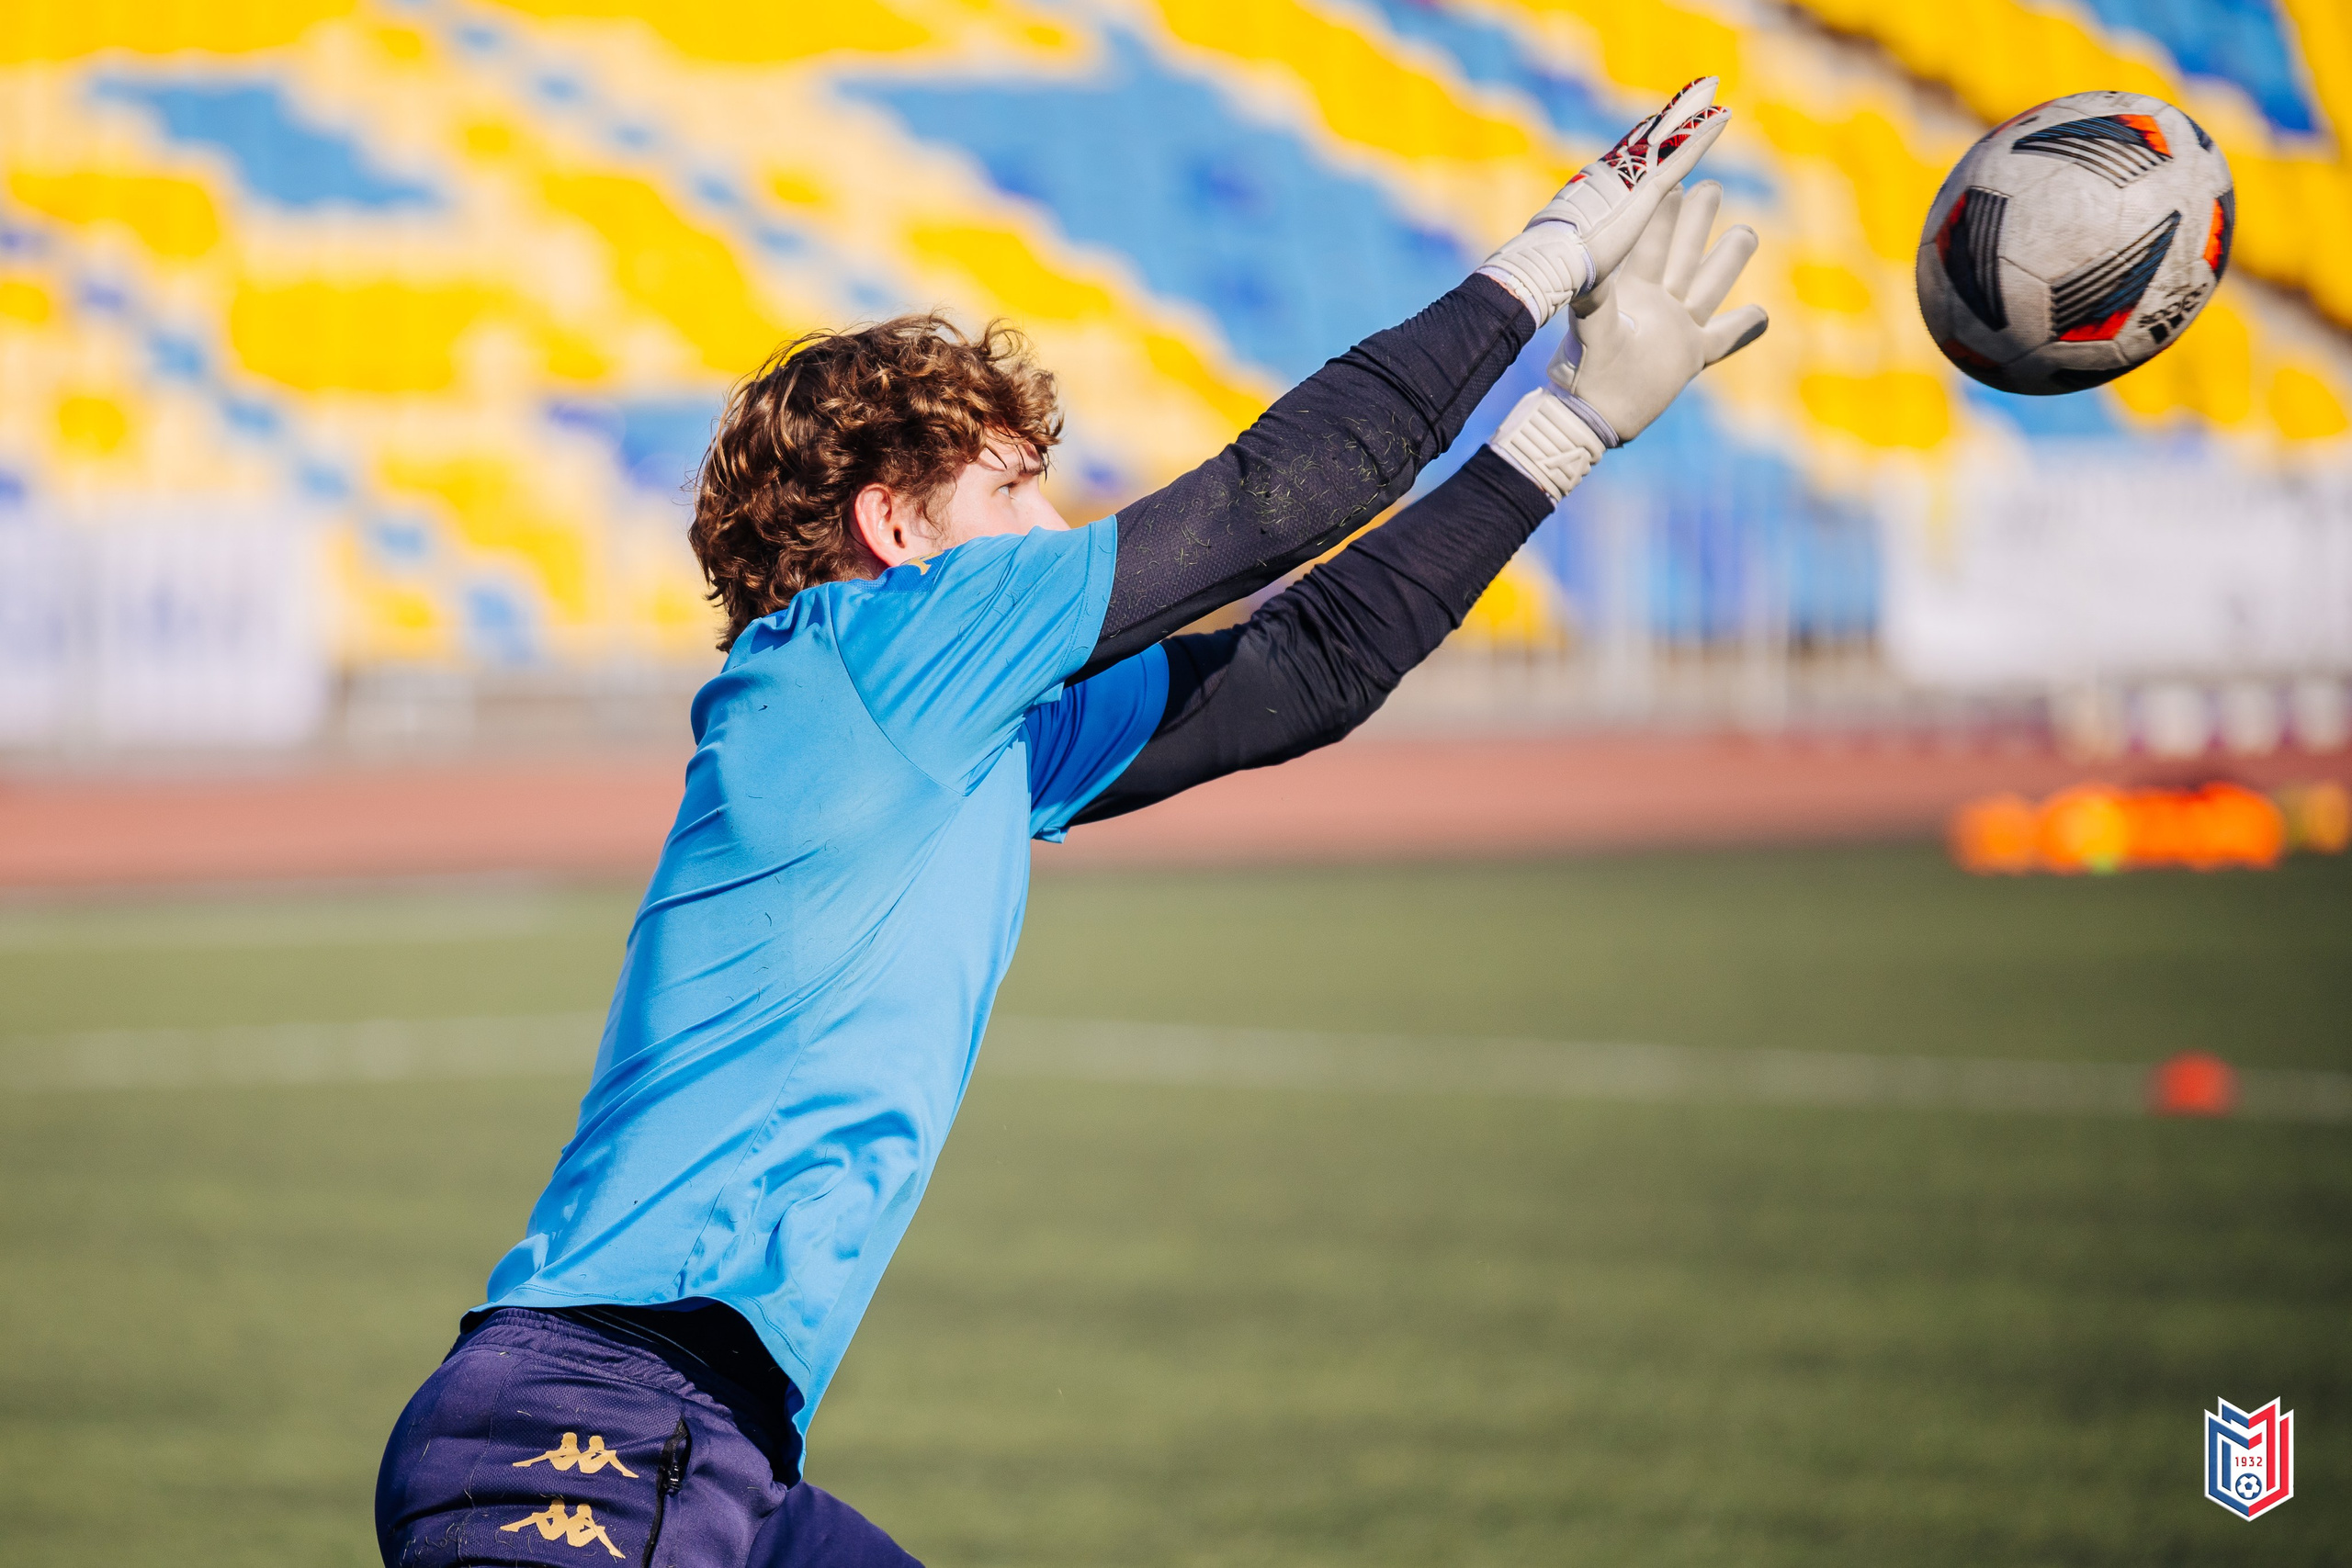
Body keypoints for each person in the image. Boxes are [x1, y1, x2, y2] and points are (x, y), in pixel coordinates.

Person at [377, 77, 1766, 1568]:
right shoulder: (871, 646)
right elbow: (1272, 502)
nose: (1057, 530)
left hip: (710, 1452)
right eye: (1016, 490)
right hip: (592, 1418)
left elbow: (1305, 669)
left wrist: (1564, 430)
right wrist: (1556, 248)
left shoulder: (961, 730)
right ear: (895, 531)